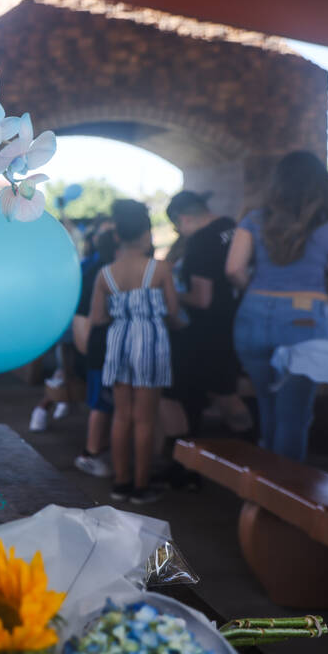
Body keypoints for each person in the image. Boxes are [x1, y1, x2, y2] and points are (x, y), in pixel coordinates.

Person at [226, 151, 328, 461]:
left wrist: (258, 291)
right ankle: (281, 501)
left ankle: (262, 494)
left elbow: (233, 269)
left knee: (266, 406)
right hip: (304, 319)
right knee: (294, 417)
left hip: (253, 314)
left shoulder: (254, 219)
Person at [90, 199, 183, 503]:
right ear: (146, 235)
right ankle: (141, 487)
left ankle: (121, 483)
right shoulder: (159, 269)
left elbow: (98, 318)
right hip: (151, 342)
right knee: (145, 418)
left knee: (121, 415)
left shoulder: (105, 274)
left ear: (117, 236)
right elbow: (173, 311)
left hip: (118, 342)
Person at [164, 190, 251, 437]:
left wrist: (169, 292)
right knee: (228, 389)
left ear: (184, 219)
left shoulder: (200, 242)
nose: (180, 234)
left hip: (211, 331)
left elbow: (202, 299)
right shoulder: (232, 227)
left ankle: (246, 447)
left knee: (223, 395)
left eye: (177, 227)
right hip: (239, 319)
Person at [73, 226, 117, 476]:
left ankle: (97, 450)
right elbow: (88, 315)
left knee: (103, 403)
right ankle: (90, 454)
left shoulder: (93, 269)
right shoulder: (103, 273)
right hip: (99, 349)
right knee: (101, 403)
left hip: (94, 348)